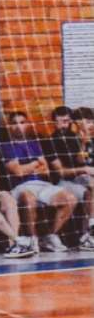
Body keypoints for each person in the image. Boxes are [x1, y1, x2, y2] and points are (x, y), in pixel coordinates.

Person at [1, 111, 74, 254]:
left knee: (70, 198)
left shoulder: (35, 144)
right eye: (14, 123)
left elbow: (45, 170)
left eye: (22, 123)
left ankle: (50, 237)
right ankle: (32, 239)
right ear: (9, 126)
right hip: (20, 186)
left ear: (27, 124)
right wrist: (35, 163)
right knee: (29, 198)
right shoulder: (6, 146)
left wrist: (28, 167)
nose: (18, 126)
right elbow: (18, 172)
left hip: (42, 184)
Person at [44, 106, 94, 250]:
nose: (63, 125)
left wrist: (83, 142)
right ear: (53, 122)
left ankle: (88, 235)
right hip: (63, 183)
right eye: (59, 122)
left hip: (82, 180)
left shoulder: (75, 138)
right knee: (91, 187)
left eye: (66, 121)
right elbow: (61, 172)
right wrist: (84, 169)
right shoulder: (51, 141)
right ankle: (90, 231)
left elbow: (81, 160)